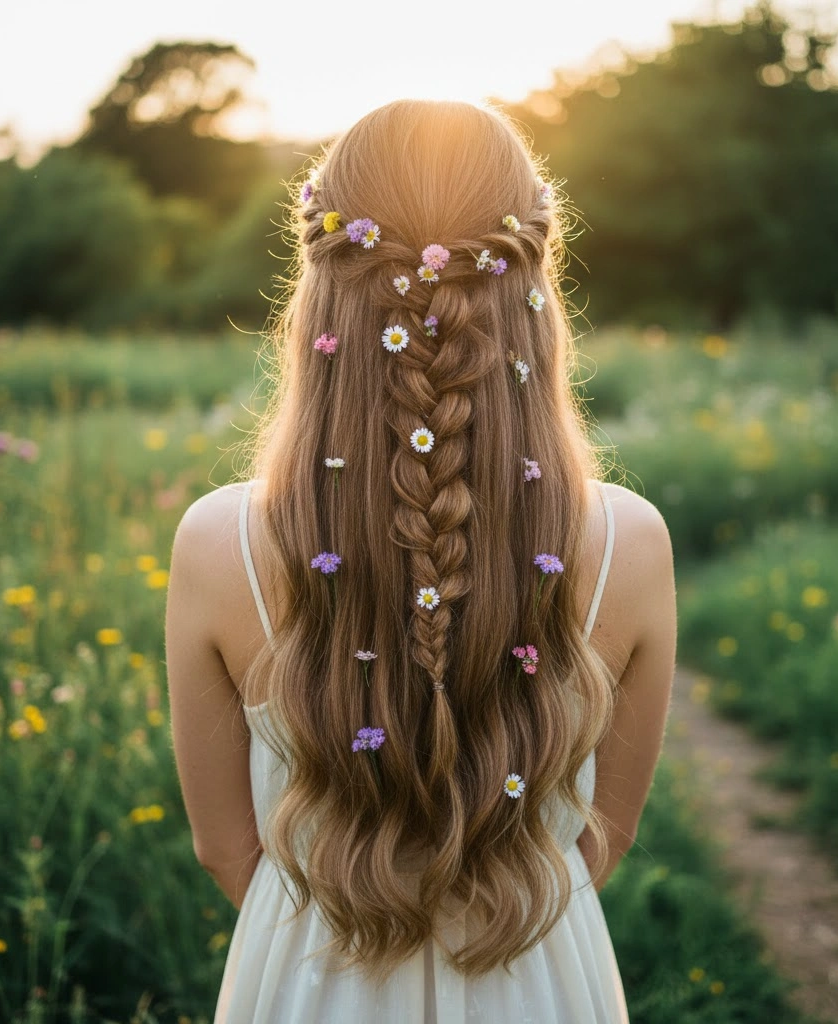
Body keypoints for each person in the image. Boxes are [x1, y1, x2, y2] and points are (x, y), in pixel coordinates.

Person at [165, 98, 677, 1023]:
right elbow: (607, 837)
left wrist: (339, 945)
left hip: (309, 975)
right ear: (532, 287)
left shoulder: (217, 544)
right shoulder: (631, 543)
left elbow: (222, 850)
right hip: (539, 971)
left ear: (322, 289)